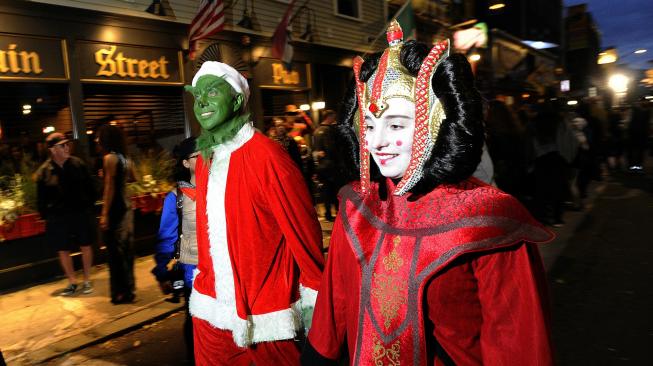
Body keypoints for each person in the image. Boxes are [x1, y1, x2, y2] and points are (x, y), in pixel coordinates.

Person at [302, 21, 555, 365]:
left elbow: (517, 343)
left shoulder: (488, 220)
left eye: (396, 125)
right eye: (370, 126)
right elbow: (333, 308)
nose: (377, 142)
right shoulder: (357, 206)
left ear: (436, 122)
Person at [184, 61, 325, 365]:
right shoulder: (206, 161)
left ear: (237, 100)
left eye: (211, 92)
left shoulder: (268, 157)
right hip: (209, 317)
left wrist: (317, 317)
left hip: (263, 326)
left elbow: (305, 238)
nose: (202, 103)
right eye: (197, 96)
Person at [152, 136, 199, 362]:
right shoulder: (176, 198)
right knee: (196, 324)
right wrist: (162, 270)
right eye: (197, 157)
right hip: (194, 275)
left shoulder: (223, 190)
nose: (205, 160)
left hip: (225, 272)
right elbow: (166, 238)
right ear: (185, 163)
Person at [35, 132, 96, 296]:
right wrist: (45, 216)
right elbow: (41, 198)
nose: (67, 147)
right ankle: (72, 282)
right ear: (53, 149)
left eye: (67, 144)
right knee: (62, 249)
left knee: (86, 244)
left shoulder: (78, 164)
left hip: (80, 212)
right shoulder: (44, 171)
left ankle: (87, 280)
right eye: (62, 145)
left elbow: (91, 188)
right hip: (58, 216)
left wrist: (89, 207)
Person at [97, 124, 136, 304]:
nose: (97, 140)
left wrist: (104, 213)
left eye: (99, 137)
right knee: (126, 250)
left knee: (114, 252)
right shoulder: (126, 158)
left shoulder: (109, 158)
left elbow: (109, 187)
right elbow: (132, 178)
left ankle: (119, 293)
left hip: (116, 208)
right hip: (127, 206)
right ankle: (129, 290)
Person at [313, 109, 339, 221]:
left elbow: (316, 149)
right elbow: (331, 149)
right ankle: (336, 212)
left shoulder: (316, 131)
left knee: (325, 190)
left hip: (321, 165)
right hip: (331, 165)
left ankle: (328, 213)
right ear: (329, 117)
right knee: (334, 189)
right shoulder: (329, 131)